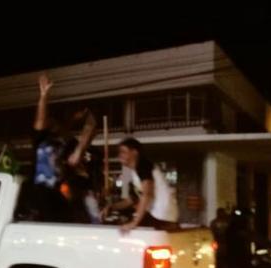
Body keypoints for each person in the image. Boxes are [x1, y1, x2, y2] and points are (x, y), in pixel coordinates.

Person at [31, 73, 99, 223]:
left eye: (54, 121)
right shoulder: (41, 139)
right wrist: (43, 95)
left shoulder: (67, 142)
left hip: (60, 191)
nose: (50, 123)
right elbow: (40, 121)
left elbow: (85, 139)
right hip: (42, 191)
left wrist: (89, 116)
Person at [103, 138, 179, 233]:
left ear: (134, 152)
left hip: (161, 214)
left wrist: (134, 223)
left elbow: (147, 194)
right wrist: (111, 207)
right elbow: (130, 200)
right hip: (153, 213)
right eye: (119, 152)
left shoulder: (143, 165)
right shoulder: (128, 171)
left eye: (123, 151)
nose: (120, 155)